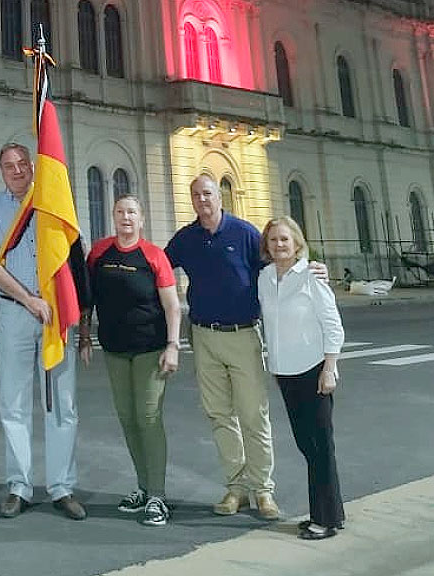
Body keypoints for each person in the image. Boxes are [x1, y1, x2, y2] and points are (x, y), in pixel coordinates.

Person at [0, 143, 86, 521]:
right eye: (9, 165)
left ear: (34, 167)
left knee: (61, 404)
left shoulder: (51, 205)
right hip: (15, 314)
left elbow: (74, 258)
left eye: (23, 163)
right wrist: (27, 298)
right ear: (1, 171)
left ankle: (62, 486)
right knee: (14, 403)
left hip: (56, 315)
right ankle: (19, 486)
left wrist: (74, 314)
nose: (17, 170)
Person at [164, 174, 287, 519]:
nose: (202, 200)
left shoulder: (245, 233)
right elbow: (159, 267)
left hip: (243, 334)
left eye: (208, 194)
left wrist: (311, 268)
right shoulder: (186, 239)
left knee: (253, 415)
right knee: (220, 415)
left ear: (220, 197)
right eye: (196, 195)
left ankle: (263, 490)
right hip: (203, 337)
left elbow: (277, 269)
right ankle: (236, 488)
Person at [79, 195, 181, 527]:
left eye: (132, 212)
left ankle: (158, 495)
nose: (126, 217)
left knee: (148, 418)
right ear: (114, 216)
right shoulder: (99, 253)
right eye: (121, 212)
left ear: (141, 219)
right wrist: (84, 337)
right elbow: (88, 300)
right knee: (128, 419)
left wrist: (173, 345)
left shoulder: (153, 256)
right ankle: (143, 486)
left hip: (150, 349)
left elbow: (172, 306)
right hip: (114, 350)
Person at [258, 217, 345, 540]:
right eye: (273, 240)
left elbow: (333, 325)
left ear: (297, 243)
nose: (279, 245)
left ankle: (324, 520)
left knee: (320, 446)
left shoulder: (312, 276)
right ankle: (332, 513)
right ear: (266, 246)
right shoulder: (265, 278)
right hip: (285, 372)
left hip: (313, 369)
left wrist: (329, 367)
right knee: (307, 445)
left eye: (285, 239)